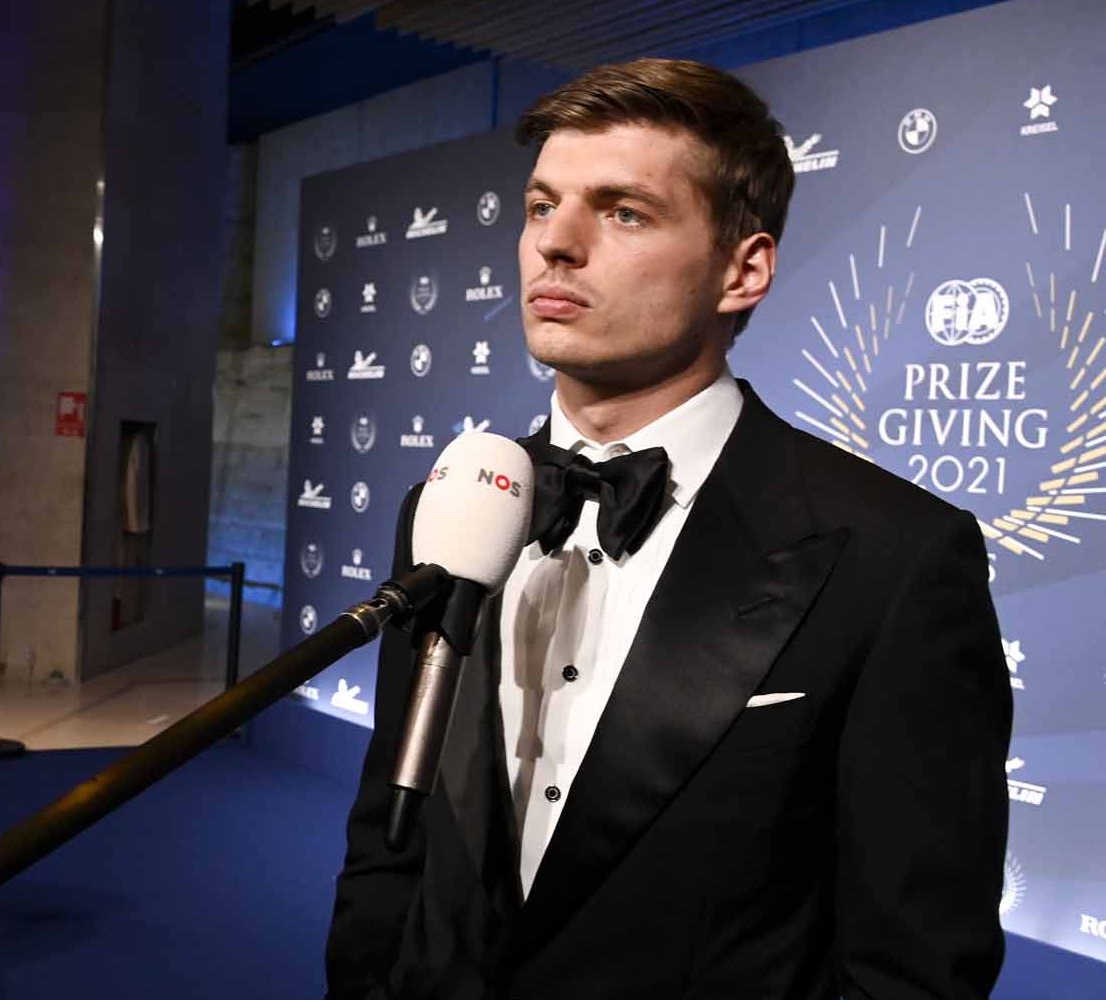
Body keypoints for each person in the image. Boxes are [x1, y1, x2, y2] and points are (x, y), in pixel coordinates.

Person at [326, 58, 1011, 1000]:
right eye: (539, 206)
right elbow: (390, 837)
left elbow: (916, 961)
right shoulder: (446, 505)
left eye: (623, 212)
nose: (554, 245)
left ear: (744, 269)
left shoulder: (896, 557)